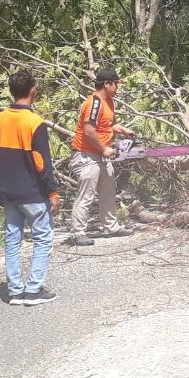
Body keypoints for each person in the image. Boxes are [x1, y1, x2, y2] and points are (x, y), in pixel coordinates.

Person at [0, 70, 60, 306]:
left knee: (12, 238)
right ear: (33, 90)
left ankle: (15, 291)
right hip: (31, 192)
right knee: (42, 237)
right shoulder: (35, 122)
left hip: (7, 191)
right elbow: (42, 163)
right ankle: (33, 290)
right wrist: (52, 191)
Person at [67, 66, 135, 246]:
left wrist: (123, 130)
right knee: (86, 195)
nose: (117, 87)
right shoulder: (94, 102)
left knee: (108, 191)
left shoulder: (109, 102)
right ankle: (78, 232)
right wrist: (105, 149)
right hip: (87, 155)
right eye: (116, 83)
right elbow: (89, 131)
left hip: (101, 155)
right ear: (107, 84)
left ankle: (110, 226)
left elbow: (108, 125)